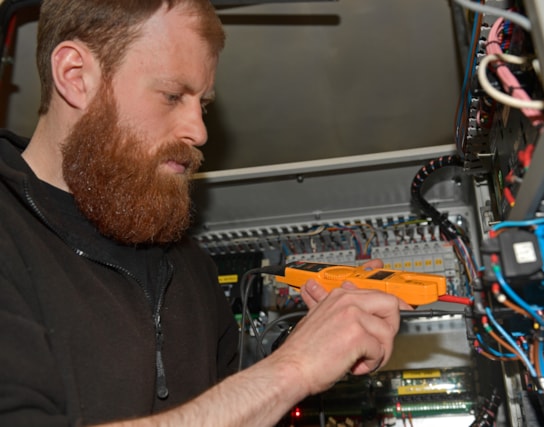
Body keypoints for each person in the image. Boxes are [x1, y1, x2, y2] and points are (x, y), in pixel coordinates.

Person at [0, 1, 407, 426]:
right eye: (172, 95)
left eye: (203, 104)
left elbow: (237, 405)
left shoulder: (189, 266)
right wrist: (293, 370)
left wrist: (328, 342)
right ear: (75, 76)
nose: (199, 131)